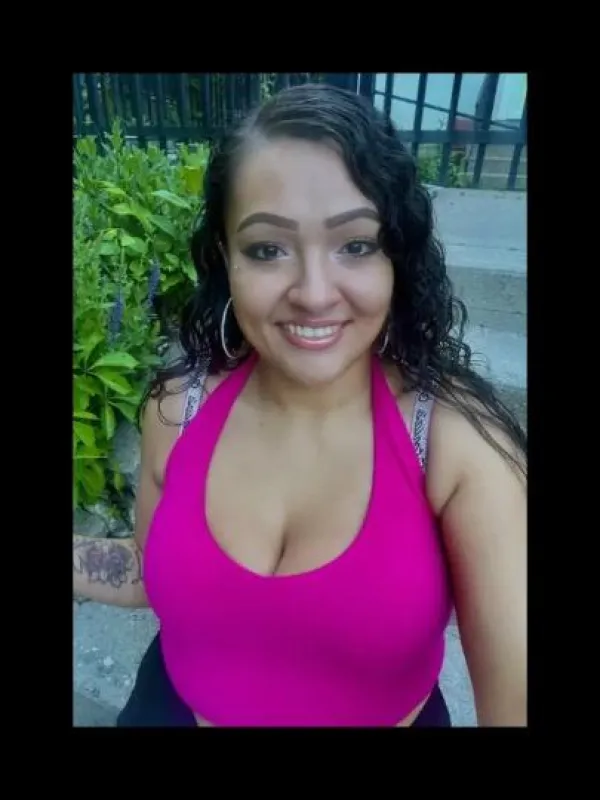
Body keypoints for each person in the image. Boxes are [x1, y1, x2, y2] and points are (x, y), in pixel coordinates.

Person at [73, 82, 527, 727]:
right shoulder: (179, 409)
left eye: (356, 245)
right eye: (268, 249)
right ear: (225, 257)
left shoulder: (456, 446)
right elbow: (155, 570)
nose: (314, 293)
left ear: (396, 255)